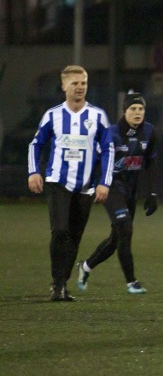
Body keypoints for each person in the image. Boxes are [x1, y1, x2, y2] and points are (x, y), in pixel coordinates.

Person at [27, 65, 114, 302]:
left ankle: (62, 284)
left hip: (85, 186)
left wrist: (104, 183)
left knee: (75, 236)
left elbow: (108, 149)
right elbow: (35, 144)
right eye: (75, 83)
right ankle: (57, 284)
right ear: (64, 86)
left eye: (83, 83)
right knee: (60, 231)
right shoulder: (53, 115)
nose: (80, 87)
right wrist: (34, 172)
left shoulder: (97, 116)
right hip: (57, 182)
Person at [76, 91, 158, 295]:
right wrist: (93, 185)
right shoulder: (111, 133)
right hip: (112, 187)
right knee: (125, 230)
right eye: (133, 109)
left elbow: (151, 164)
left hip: (130, 190)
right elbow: (95, 161)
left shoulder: (149, 132)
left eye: (141, 109)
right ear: (124, 111)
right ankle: (132, 282)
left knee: (116, 240)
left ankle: (85, 267)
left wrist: (152, 193)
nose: (137, 112)